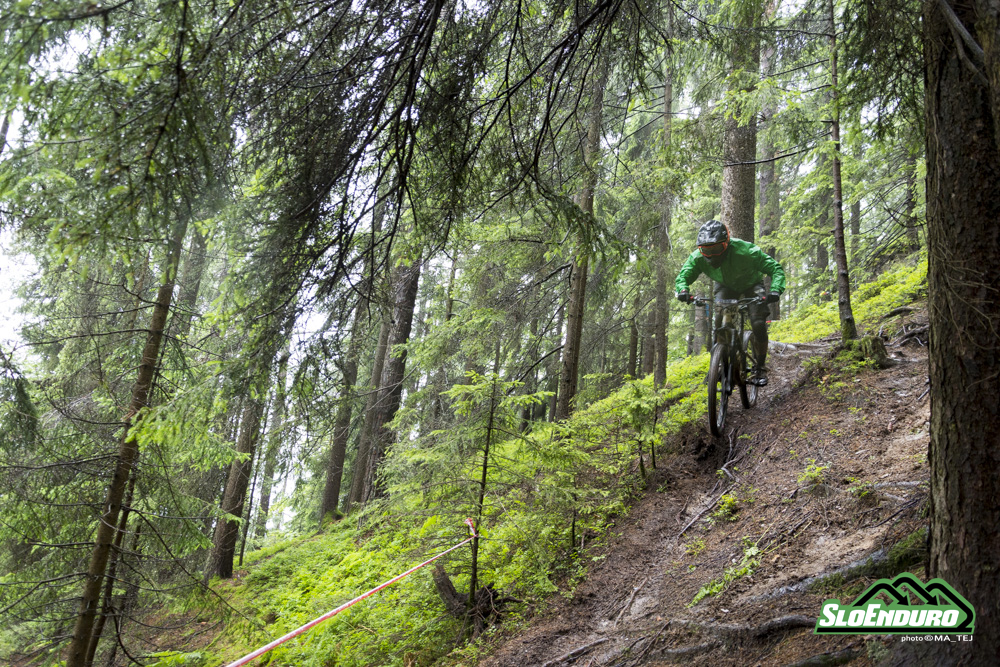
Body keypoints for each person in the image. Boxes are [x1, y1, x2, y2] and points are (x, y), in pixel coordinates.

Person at [675, 220, 785, 386]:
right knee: (720, 323)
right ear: (700, 249)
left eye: (716, 249)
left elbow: (775, 268)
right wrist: (683, 291)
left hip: (752, 284)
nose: (711, 255)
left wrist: (775, 290)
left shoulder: (746, 251)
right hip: (725, 286)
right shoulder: (698, 257)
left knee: (758, 323)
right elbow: (684, 275)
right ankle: (718, 366)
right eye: (706, 250)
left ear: (726, 244)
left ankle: (760, 367)